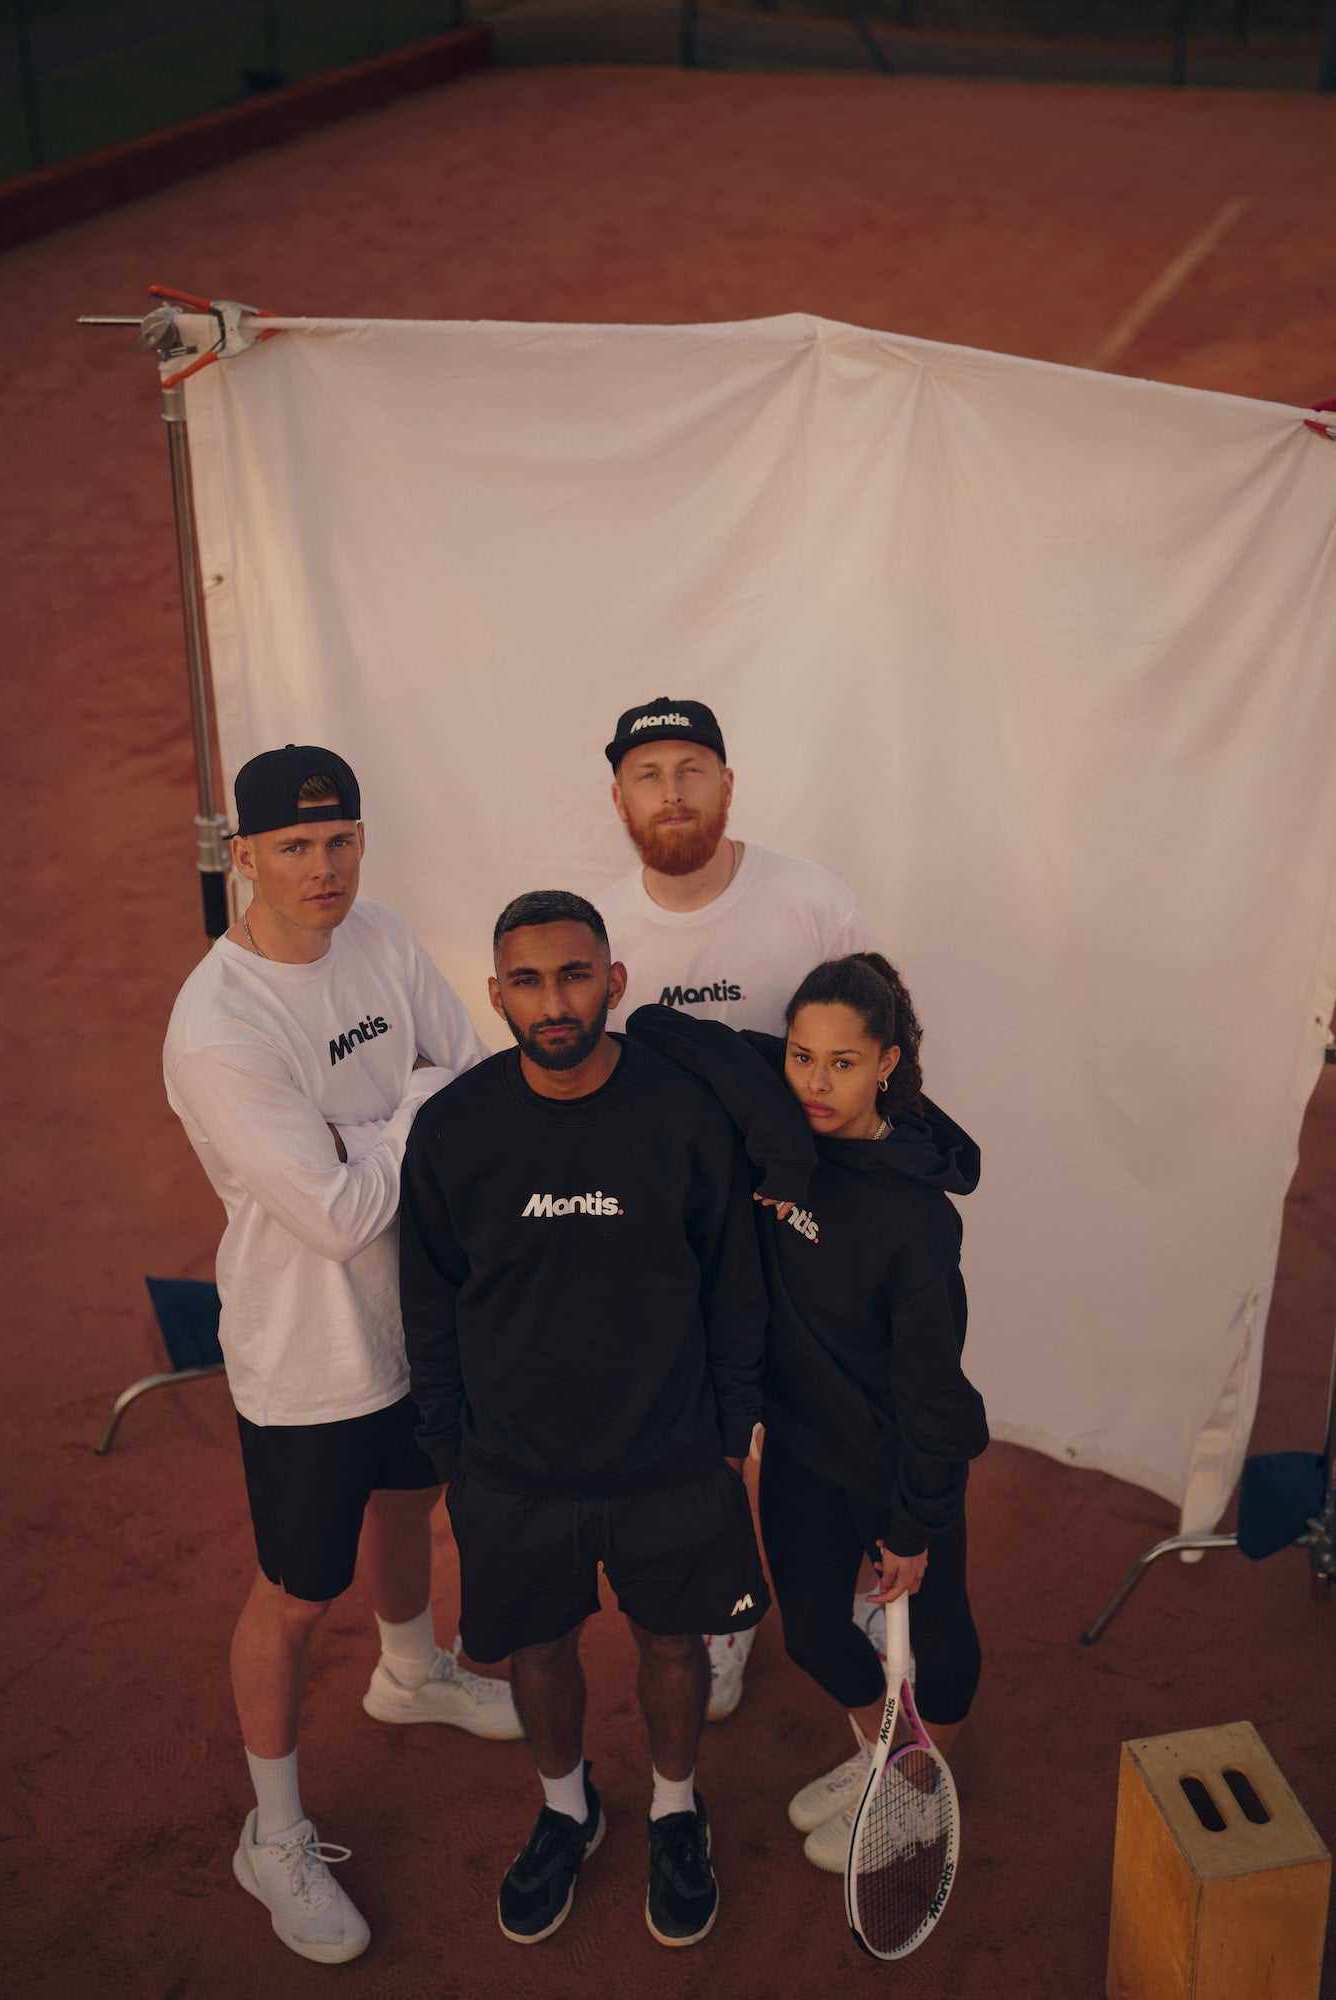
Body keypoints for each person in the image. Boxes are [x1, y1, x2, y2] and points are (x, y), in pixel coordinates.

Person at [163, 744, 521, 1968]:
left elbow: (470, 1079)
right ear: (244, 856)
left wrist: (375, 1126)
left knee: (413, 1498)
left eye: (340, 839)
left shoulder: (381, 935)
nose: (323, 866)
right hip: (304, 1352)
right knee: (297, 1594)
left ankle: (412, 1670)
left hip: (417, 1315)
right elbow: (335, 1215)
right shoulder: (219, 1025)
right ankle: (272, 1834)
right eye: (294, 846)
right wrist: (410, 1108)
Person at [400, 890, 770, 1949]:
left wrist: (731, 1434)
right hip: (515, 1466)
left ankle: (675, 1809)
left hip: (671, 1454)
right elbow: (428, 1303)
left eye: (574, 975)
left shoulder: (684, 1114)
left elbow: (734, 1283)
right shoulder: (455, 1129)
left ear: (615, 980)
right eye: (527, 981)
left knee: (674, 1641)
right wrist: (453, 1454)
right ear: (496, 995)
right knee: (538, 1647)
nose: (554, 1001)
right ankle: (568, 1810)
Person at [627, 951, 988, 1873]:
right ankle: (883, 1751)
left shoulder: (917, 1218)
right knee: (814, 1634)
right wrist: (776, 1122)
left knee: (938, 1632)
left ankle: (920, 1791)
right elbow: (657, 1027)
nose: (816, 1084)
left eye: (843, 1063)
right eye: (800, 1057)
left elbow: (933, 1390)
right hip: (802, 1444)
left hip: (900, 1455)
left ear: (887, 1065)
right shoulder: (785, 1129)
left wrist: (913, 1522)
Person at [595, 696, 867, 1720]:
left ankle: (850, 1575)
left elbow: (879, 1051)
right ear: (618, 797)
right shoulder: (598, 930)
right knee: (701, 1429)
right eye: (649, 774)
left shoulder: (813, 902)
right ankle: (728, 1606)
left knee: (827, 1415)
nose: (672, 792)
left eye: (691, 769)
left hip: (807, 1214)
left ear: (727, 783)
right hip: (675, 1235)